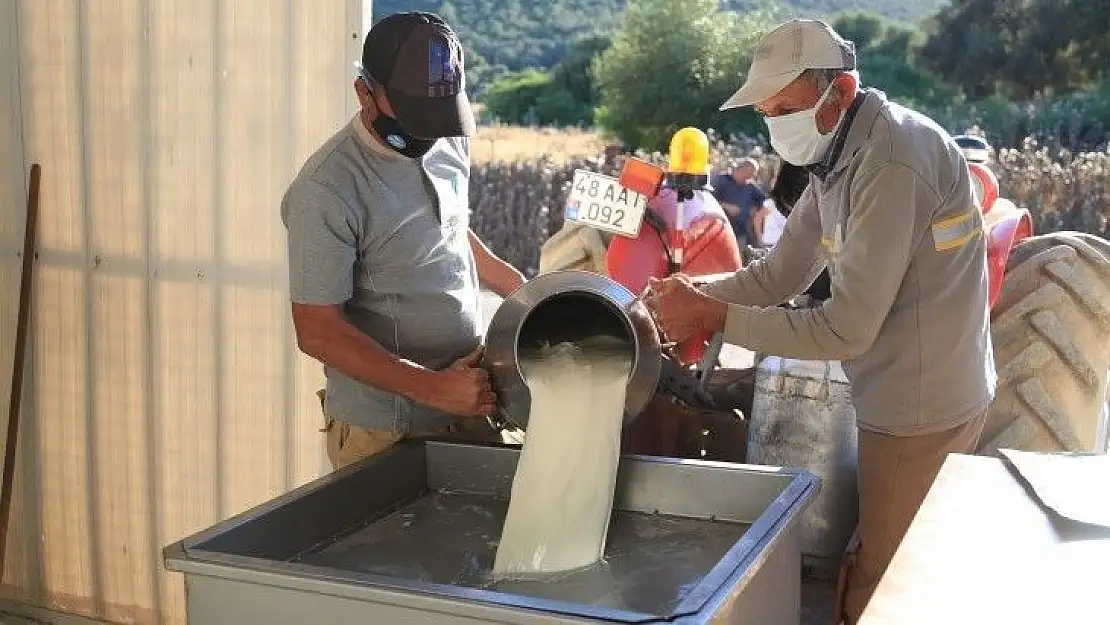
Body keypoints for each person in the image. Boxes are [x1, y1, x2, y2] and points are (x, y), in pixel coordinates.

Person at [643, 19, 994, 624]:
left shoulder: (891, 164)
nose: (776, 124)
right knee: (883, 552)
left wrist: (714, 314)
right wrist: (688, 294)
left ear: (842, 89)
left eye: (787, 108)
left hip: (921, 401)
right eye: (768, 112)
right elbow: (779, 276)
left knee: (885, 576)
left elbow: (844, 330)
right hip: (898, 380)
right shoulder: (837, 157)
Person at [280, 12, 525, 471]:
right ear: (364, 93)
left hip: (470, 396)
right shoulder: (327, 190)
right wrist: (433, 388)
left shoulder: (446, 140)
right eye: (414, 117)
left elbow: (447, 231)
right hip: (388, 429)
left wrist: (525, 294)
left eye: (438, 117)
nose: (427, 134)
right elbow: (317, 330)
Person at [711, 157, 768, 248]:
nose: (750, 177)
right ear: (742, 169)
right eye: (749, 174)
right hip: (719, 230)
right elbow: (708, 200)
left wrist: (755, 209)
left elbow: (764, 202)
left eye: (752, 175)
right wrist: (725, 206)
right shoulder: (721, 180)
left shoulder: (751, 187)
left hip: (740, 233)